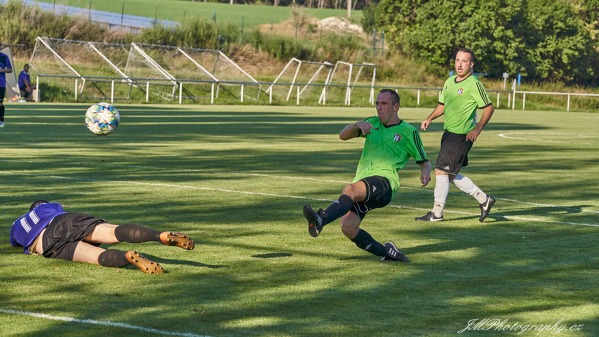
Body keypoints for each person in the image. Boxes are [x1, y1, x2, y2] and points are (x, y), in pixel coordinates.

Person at [302, 89, 431, 262]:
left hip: (385, 183)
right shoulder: (372, 123)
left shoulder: (409, 132)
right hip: (364, 182)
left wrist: (425, 171)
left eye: (384, 104)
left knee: (350, 189)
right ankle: (386, 252)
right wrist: (357, 125)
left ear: (396, 107)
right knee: (348, 227)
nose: (379, 107)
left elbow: (424, 161)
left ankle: (321, 219)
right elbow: (343, 136)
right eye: (377, 103)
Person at [415, 48, 495, 223]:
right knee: (449, 174)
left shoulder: (474, 84)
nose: (460, 64)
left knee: (441, 171)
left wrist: (477, 129)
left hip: (462, 135)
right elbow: (442, 105)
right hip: (449, 132)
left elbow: (489, 107)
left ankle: (437, 213)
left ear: (471, 64)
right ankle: (484, 200)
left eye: (464, 61)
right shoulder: (449, 81)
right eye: (457, 60)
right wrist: (429, 117)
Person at [10, 200, 195, 274]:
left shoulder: (16, 225)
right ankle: (159, 235)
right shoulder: (48, 206)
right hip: (61, 221)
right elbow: (60, 210)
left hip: (43, 243)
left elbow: (15, 242)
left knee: (96, 257)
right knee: (112, 231)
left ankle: (127, 257)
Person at [0, 42, 12, 127]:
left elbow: (10, 69)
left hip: (1, 84)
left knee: (0, 103)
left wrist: (3, 70)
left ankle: (1, 120)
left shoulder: (4, 57)